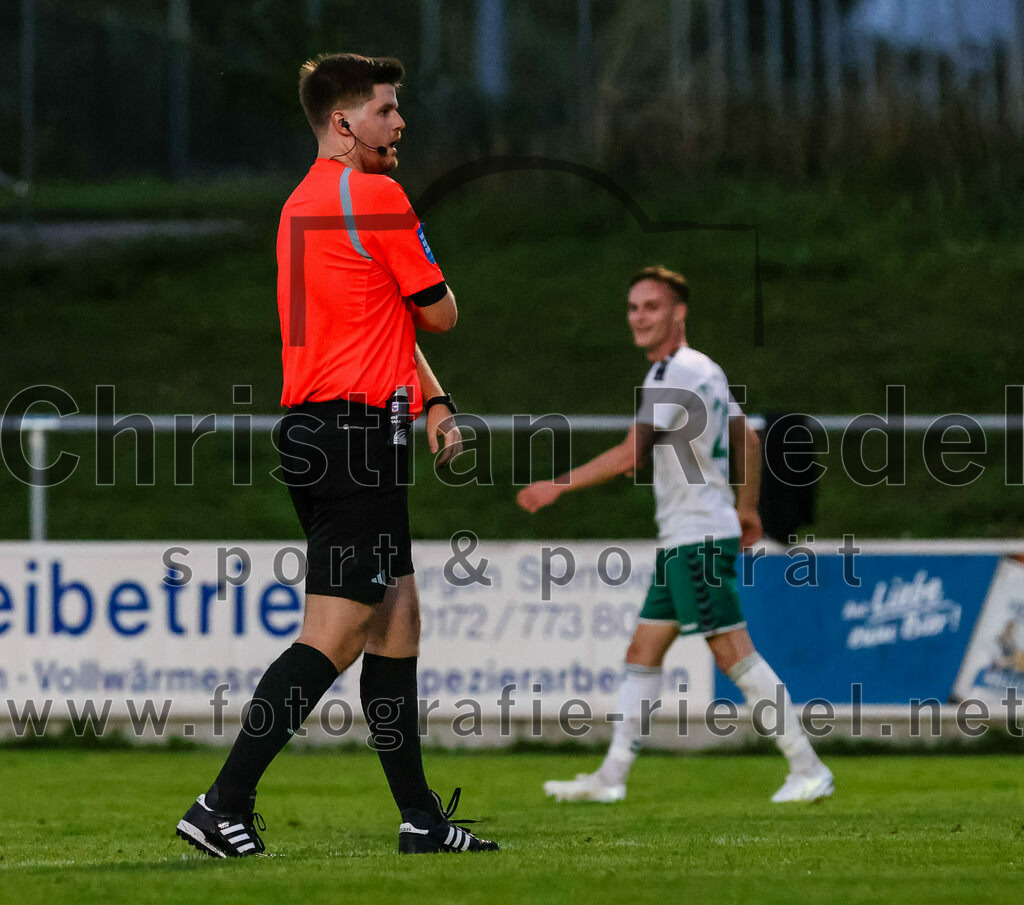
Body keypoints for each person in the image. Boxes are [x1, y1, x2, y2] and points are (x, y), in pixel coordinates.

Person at [176, 53, 498, 857]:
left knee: (397, 621)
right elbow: (441, 312)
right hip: (355, 437)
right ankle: (222, 801)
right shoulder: (378, 196)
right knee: (338, 631)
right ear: (343, 121)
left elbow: (370, 316)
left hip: (323, 432)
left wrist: (431, 399)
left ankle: (421, 817)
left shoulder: (299, 208)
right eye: (386, 109)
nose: (400, 123)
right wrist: (427, 337)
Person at [518, 265, 833, 804]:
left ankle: (808, 768)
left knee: (731, 650)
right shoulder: (706, 369)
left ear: (678, 312)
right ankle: (610, 779)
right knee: (644, 650)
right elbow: (750, 444)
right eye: (634, 307)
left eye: (652, 306)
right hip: (690, 535)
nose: (639, 317)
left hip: (694, 538)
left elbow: (630, 455)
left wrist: (558, 485)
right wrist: (747, 509)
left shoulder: (668, 376)